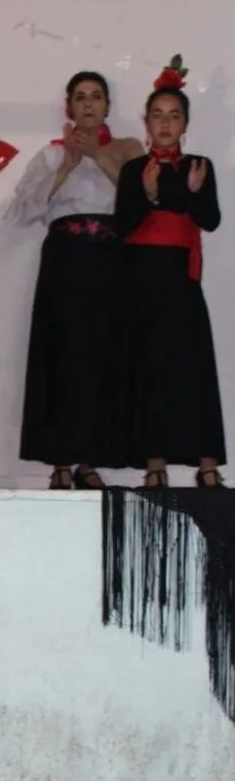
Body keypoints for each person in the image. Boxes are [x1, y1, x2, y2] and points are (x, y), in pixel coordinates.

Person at [7, 71, 143, 489]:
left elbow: (142, 204)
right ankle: (60, 462)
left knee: (103, 357)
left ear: (107, 106)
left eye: (96, 97)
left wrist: (98, 156)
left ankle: (91, 459)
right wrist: (65, 168)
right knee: (61, 357)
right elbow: (20, 213)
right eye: (80, 97)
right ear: (68, 106)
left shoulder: (126, 151)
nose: (88, 104)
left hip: (111, 264)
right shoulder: (51, 155)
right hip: (65, 262)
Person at [112, 57, 224, 487]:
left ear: (185, 124)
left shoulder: (199, 166)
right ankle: (154, 462)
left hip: (182, 278)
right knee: (149, 368)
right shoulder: (133, 170)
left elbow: (210, 220)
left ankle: (207, 463)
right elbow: (124, 225)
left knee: (194, 368)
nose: (165, 123)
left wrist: (189, 195)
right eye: (157, 115)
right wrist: (149, 194)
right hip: (141, 279)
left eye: (174, 115)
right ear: (146, 123)